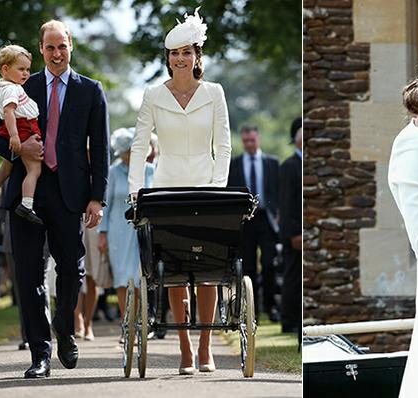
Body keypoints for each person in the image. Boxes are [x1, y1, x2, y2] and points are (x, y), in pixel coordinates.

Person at [0, 20, 109, 379]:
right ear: (41, 49)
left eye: (63, 47)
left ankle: (64, 327)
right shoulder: (23, 84)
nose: (57, 54)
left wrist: (97, 198)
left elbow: (99, 148)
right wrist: (19, 145)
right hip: (27, 190)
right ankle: (39, 353)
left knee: (72, 270)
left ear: (71, 47)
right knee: (27, 275)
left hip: (70, 195)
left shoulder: (91, 91)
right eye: (50, 47)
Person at [128, 7, 230, 375]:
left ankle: (205, 347)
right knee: (172, 269)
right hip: (167, 187)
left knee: (207, 270)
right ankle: (184, 347)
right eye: (174, 53)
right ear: (168, 58)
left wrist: (218, 189)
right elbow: (140, 146)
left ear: (197, 56)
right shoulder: (154, 95)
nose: (180, 58)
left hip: (206, 187)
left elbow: (225, 145)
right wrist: (136, 190)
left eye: (187, 52)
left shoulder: (215, 93)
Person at [0, 45, 44, 225]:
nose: (26, 74)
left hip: (13, 127)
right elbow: (9, 112)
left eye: (28, 69)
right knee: (34, 169)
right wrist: (14, 136)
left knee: (6, 168)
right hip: (23, 128)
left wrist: (1, 116)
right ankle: (27, 204)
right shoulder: (13, 89)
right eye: (21, 69)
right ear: (5, 69)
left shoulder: (0, 85)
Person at [99, 128, 154, 332]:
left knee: (141, 276)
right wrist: (102, 234)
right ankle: (127, 324)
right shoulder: (113, 172)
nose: (127, 156)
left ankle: (141, 321)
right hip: (118, 231)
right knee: (122, 278)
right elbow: (106, 203)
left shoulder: (150, 170)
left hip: (143, 230)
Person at [228, 126, 280, 321]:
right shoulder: (234, 165)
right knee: (248, 266)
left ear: (258, 139)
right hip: (245, 221)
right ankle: (252, 309)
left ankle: (271, 306)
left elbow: (279, 191)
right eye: (246, 141)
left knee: (269, 263)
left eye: (252, 140)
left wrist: (279, 214)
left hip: (267, 219)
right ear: (243, 142)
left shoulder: (272, 163)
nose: (249, 144)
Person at [279, 117, 302, 340]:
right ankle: (289, 321)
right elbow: (285, 205)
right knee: (292, 277)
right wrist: (293, 234)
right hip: (293, 234)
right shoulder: (289, 166)